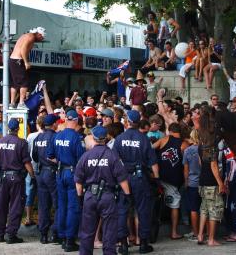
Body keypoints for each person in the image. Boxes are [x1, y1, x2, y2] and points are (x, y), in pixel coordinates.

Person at [75, 125, 132, 255]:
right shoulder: (112, 156)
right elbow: (122, 179)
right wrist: (127, 195)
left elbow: (78, 181)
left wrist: (80, 197)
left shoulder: (86, 156)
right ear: (106, 138)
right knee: (109, 231)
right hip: (108, 196)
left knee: (87, 231)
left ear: (93, 138)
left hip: (89, 195)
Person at [112, 109, 160, 253]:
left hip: (124, 178)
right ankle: (143, 244)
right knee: (143, 210)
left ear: (127, 122)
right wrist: (157, 180)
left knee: (123, 210)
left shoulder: (119, 139)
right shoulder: (143, 138)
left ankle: (124, 244)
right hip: (140, 178)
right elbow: (153, 163)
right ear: (138, 122)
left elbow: (114, 162)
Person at [47, 109, 86, 252]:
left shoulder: (57, 136)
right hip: (72, 173)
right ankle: (70, 240)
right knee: (73, 207)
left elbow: (49, 155)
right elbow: (81, 160)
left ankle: (62, 236)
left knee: (62, 206)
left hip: (60, 172)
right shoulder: (76, 138)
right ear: (75, 121)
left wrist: (61, 161)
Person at [0, 118, 35, 244]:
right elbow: (26, 162)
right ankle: (11, 235)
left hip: (2, 177)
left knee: (0, 206)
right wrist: (32, 175)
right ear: (18, 129)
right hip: (16, 178)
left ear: (8, 128)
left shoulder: (0, 142)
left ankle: (0, 234)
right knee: (15, 206)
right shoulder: (21, 143)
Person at [153, 122, 188, 241]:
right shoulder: (184, 144)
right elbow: (186, 164)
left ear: (170, 130)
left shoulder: (165, 139)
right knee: (175, 205)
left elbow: (151, 148)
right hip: (173, 179)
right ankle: (174, 232)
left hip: (158, 176)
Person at [32, 114, 60, 244]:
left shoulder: (38, 137)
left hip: (41, 172)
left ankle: (43, 235)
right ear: (54, 124)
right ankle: (55, 233)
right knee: (57, 204)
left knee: (43, 205)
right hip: (52, 173)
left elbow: (35, 157)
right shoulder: (55, 137)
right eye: (57, 123)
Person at [10, 26, 46, 108]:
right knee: (24, 83)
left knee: (15, 83)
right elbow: (23, 50)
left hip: (13, 60)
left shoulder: (26, 35)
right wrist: (26, 62)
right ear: (38, 34)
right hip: (18, 60)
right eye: (42, 37)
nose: (42, 39)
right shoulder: (31, 37)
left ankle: (12, 103)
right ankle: (21, 103)